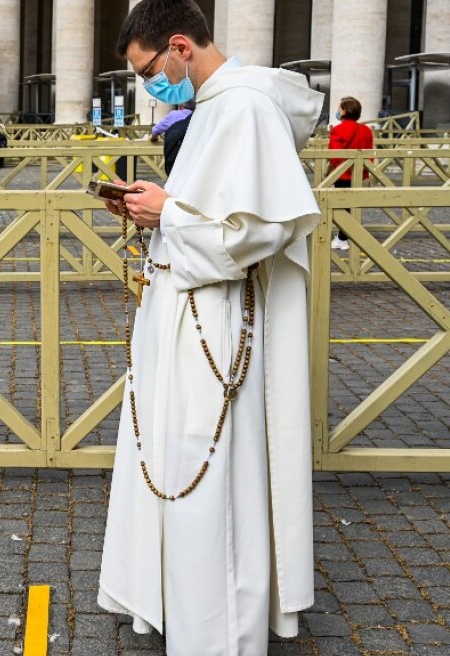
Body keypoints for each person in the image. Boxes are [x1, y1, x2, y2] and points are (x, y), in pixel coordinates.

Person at [98, 1, 322, 654]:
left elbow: (258, 231)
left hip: (216, 328)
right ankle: (188, 613)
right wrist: (155, 208)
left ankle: (219, 634)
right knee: (183, 472)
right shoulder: (214, 108)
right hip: (186, 319)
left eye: (147, 71)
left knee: (211, 485)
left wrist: (168, 213)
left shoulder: (245, 108)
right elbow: (212, 209)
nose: (148, 85)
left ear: (178, 46)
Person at [327, 96, 374, 250]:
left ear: (345, 111)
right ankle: (344, 236)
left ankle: (342, 238)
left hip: (341, 173)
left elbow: (334, 154)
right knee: (352, 206)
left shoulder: (338, 130)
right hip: (358, 173)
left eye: (339, 109)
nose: (338, 111)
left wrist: (337, 168)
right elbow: (369, 153)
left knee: (340, 205)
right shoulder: (366, 130)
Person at [150, 100, 195, 175]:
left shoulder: (174, 114)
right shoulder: (197, 116)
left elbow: (155, 130)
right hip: (191, 155)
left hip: (174, 153)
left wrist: (154, 139)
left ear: (181, 106)